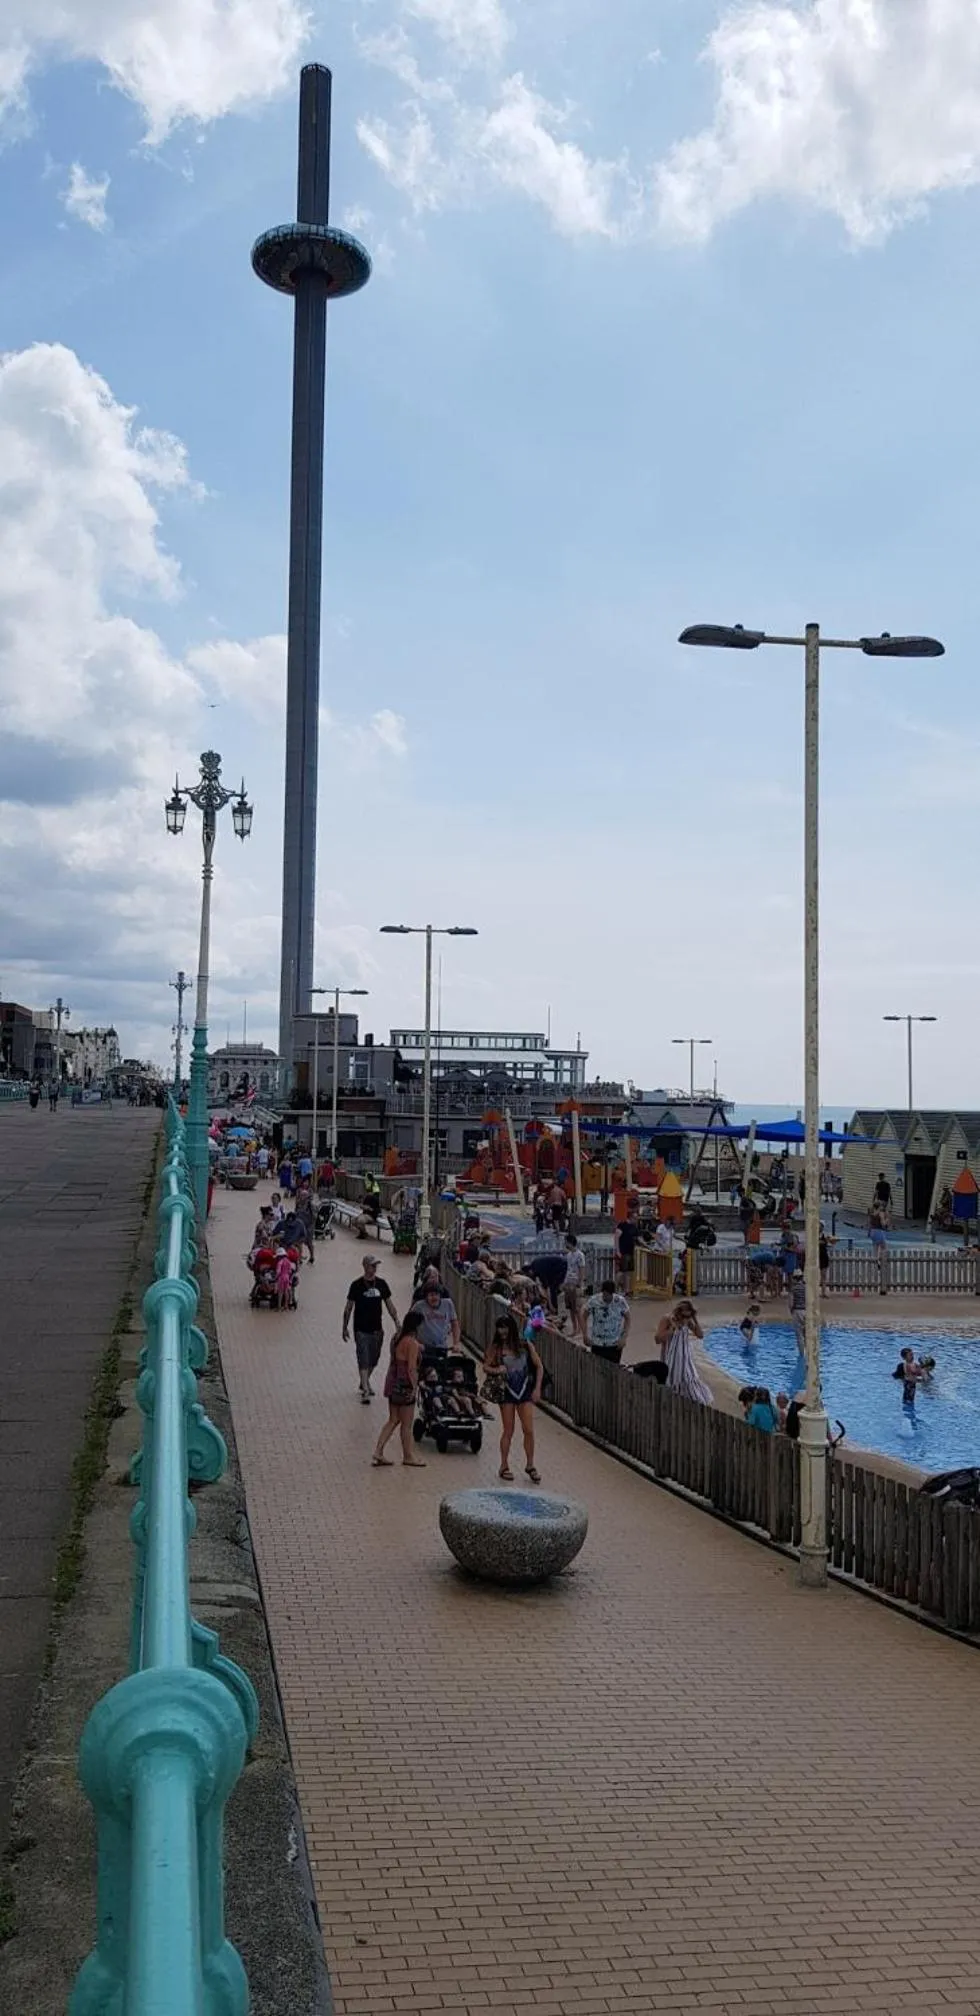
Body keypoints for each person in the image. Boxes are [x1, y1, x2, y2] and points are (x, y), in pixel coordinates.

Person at [483, 1310, 543, 1483]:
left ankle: (530, 1464)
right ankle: (504, 1465)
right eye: (499, 1328)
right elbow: (486, 1367)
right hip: (506, 1392)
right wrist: (497, 1370)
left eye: (505, 1328)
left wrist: (537, 1389)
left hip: (524, 1392)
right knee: (508, 1430)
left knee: (529, 1429)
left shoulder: (525, 1346)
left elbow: (539, 1367)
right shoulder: (496, 1348)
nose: (502, 1332)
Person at [371, 1310, 427, 1467]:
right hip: (405, 1384)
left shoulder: (396, 1338)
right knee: (406, 1424)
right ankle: (408, 1456)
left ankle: (378, 1451)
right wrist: (414, 1388)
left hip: (392, 1380)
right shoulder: (412, 1343)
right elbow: (411, 1368)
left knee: (393, 1419)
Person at [343, 1256, 399, 1403]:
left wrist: (397, 1322)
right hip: (361, 1329)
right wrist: (345, 1327)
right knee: (363, 1357)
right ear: (365, 1266)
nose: (374, 1268)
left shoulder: (381, 1284)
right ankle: (366, 1391)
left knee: (374, 1359)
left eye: (375, 1266)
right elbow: (349, 1308)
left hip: (377, 1329)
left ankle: (364, 1381)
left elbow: (389, 1305)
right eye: (372, 1265)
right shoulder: (356, 1285)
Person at [664, 1301, 713, 1404]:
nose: (686, 1319)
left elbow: (700, 1335)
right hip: (674, 1353)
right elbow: (660, 1337)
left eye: (688, 1316)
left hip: (684, 1353)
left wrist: (695, 1319)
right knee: (674, 1375)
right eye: (684, 1316)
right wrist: (674, 1326)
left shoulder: (688, 1322)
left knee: (689, 1375)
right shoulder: (671, 1320)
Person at [582, 1280, 631, 1364]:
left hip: (614, 1344)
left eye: (608, 1295)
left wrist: (624, 1337)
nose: (606, 1298)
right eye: (604, 1295)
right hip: (598, 1343)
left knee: (613, 1370)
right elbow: (584, 1316)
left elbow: (628, 1318)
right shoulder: (594, 1300)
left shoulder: (620, 1301)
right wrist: (585, 1335)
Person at [409, 1280, 460, 1354]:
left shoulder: (448, 1304)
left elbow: (455, 1324)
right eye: (431, 1295)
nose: (434, 1298)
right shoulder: (419, 1306)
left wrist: (456, 1343)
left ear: (440, 1295)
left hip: (441, 1347)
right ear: (426, 1297)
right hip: (423, 1348)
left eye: (436, 1294)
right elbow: (409, 1325)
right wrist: (414, 1342)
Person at [528, 1247, 568, 1315]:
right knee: (553, 1289)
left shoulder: (538, 1270)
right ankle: (553, 1308)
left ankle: (554, 1310)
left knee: (553, 1289)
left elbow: (546, 1288)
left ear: (529, 1271)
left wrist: (549, 1304)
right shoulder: (535, 1264)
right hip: (555, 1267)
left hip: (561, 1266)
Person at [561, 1234, 587, 1332]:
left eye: (566, 1242)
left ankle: (581, 1329)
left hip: (576, 1283)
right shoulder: (568, 1255)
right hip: (569, 1282)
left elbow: (582, 1269)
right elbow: (568, 1270)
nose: (565, 1244)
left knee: (577, 1308)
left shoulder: (580, 1255)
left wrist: (580, 1283)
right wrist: (565, 1282)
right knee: (570, 1308)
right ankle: (575, 1328)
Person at [615, 1209, 640, 1296]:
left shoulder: (634, 1227)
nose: (636, 1220)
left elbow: (638, 1239)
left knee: (628, 1272)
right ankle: (615, 1289)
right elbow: (616, 1237)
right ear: (631, 1217)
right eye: (635, 1218)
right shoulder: (622, 1225)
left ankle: (626, 1290)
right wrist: (618, 1251)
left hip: (631, 1252)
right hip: (623, 1251)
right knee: (621, 1271)